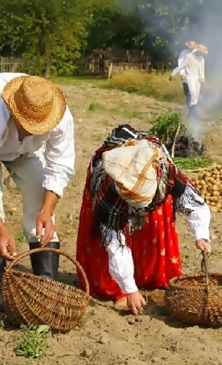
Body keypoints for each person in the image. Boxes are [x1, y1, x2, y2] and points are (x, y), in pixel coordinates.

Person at [0, 72, 76, 312]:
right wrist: (0, 229)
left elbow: (60, 165)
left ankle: (45, 283)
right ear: (14, 112)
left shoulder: (59, 115)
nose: (33, 130)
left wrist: (46, 209)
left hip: (27, 152)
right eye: (28, 125)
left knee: (39, 207)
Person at [75, 124, 212, 315]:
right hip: (112, 189)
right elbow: (114, 244)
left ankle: (149, 275)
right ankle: (118, 288)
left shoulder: (164, 170)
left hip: (150, 175)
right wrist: (129, 289)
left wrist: (201, 235)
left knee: (153, 222)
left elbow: (194, 203)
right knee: (108, 241)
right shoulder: (109, 189)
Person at [169, 43, 208, 118]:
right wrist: (173, 73)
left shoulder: (202, 59)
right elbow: (181, 66)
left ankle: (191, 112)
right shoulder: (190, 56)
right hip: (190, 77)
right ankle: (192, 112)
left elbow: (201, 71)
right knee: (192, 93)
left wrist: (203, 81)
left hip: (198, 79)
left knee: (196, 96)